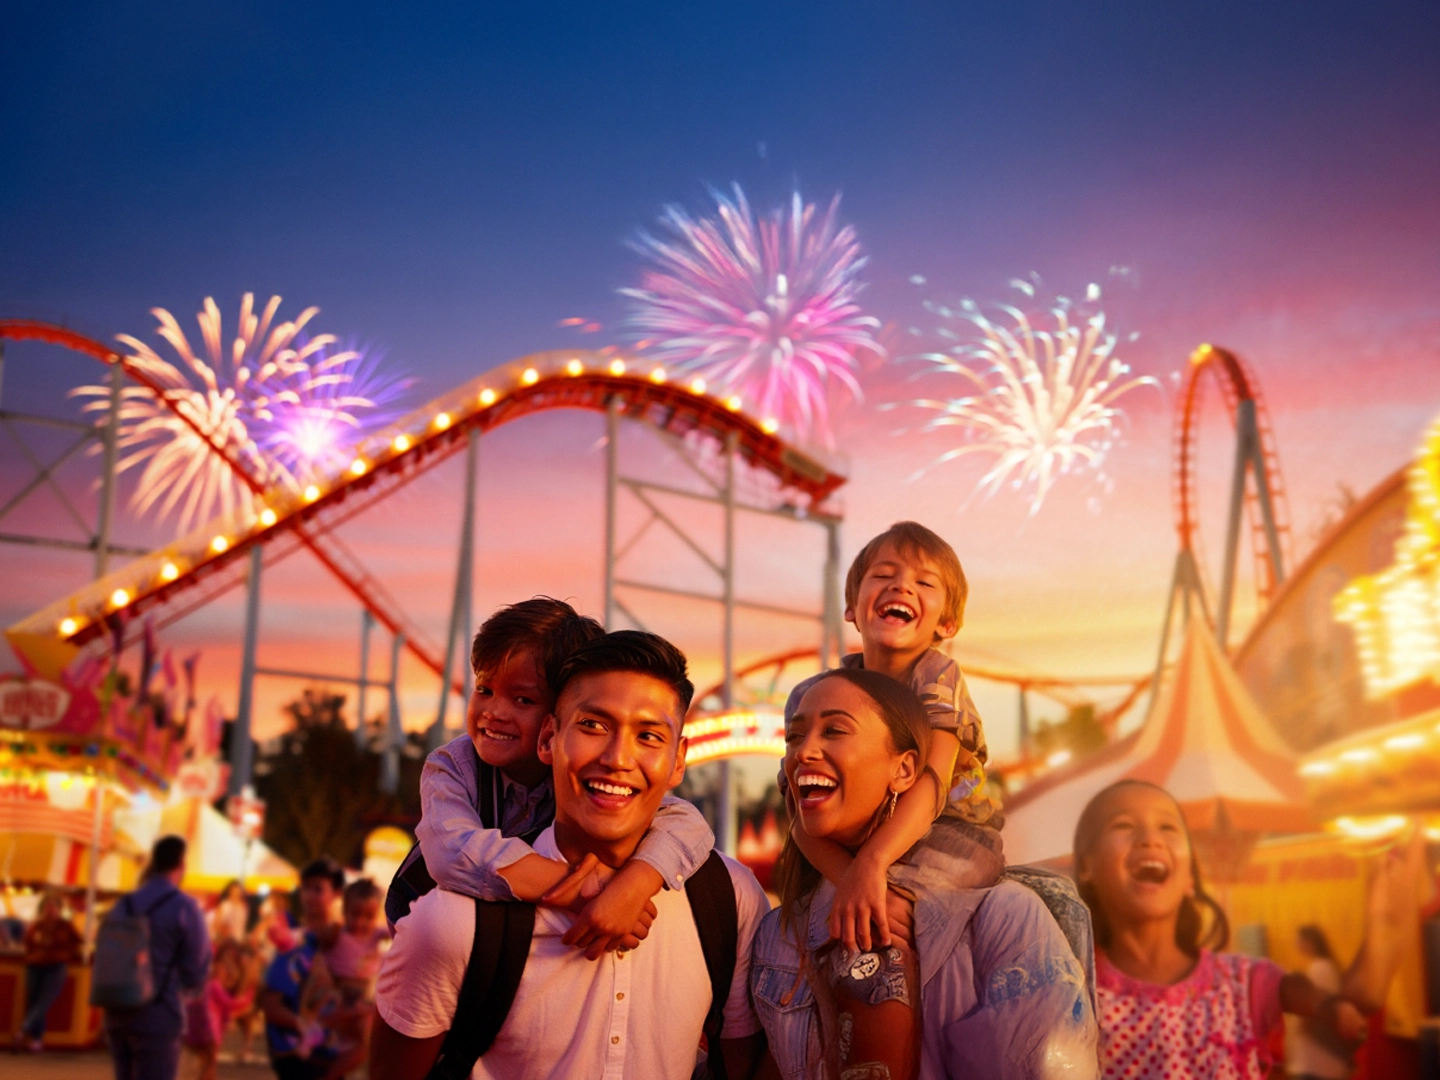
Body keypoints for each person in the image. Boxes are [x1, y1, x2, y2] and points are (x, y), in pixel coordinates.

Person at [372, 630, 771, 1079]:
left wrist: (638, 880)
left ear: (679, 760)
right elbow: (448, 845)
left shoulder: (727, 899)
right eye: (593, 726)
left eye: (649, 736)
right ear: (548, 739)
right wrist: (582, 890)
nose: (618, 758)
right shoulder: (452, 919)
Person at [754, 668, 1097, 1079]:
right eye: (794, 737)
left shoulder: (1005, 918)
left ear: (903, 769)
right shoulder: (780, 936)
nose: (803, 752)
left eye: (835, 731)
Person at [388, 597, 715, 960]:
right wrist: (588, 892)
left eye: (523, 700)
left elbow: (686, 822)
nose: (495, 712)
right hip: (416, 914)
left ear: (558, 716)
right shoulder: (454, 764)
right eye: (485, 690)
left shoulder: (583, 771)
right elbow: (451, 852)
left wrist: (636, 885)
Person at [1072, 780, 1420, 1079]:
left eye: (1168, 827)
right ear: (1086, 866)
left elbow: (1352, 1003)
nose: (1150, 838)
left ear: (1190, 877)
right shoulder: (1071, 990)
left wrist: (1385, 926)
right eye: (1122, 825)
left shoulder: (1242, 982)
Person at [782, 521, 1004, 955]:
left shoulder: (938, 676)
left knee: (891, 919)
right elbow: (798, 808)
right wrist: (853, 879)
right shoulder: (814, 695)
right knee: (848, 912)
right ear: (851, 606)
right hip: (857, 841)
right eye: (883, 576)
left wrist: (873, 864)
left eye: (924, 582)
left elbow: (932, 784)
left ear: (948, 623)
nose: (901, 586)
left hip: (950, 836)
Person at [104, 835, 212, 1080]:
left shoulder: (124, 904)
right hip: (159, 1013)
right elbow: (196, 969)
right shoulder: (185, 906)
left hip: (117, 1011)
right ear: (182, 864)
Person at [260, 857, 345, 1080]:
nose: (309, 896)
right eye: (306, 888)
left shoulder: (344, 940)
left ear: (336, 894)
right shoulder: (291, 939)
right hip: (295, 1054)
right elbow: (270, 1002)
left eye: (318, 889)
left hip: (331, 1053)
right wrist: (300, 1023)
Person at [17, 890, 82, 1051]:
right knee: (35, 1001)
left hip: (56, 966)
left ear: (59, 909)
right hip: (35, 965)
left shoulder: (66, 926)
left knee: (45, 1001)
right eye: (47, 907)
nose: (50, 910)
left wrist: (66, 953)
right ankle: (37, 1039)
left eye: (53, 907)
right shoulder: (36, 926)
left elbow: (78, 943)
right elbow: (27, 943)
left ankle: (23, 1030)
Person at [182, 939, 255, 1080]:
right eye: (222, 968)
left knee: (207, 1063)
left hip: (207, 1029)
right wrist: (247, 999)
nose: (225, 971)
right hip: (209, 1031)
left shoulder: (209, 984)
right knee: (209, 1063)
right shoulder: (214, 986)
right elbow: (229, 1003)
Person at [1287, 924, 1352, 1080]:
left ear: (1309, 942)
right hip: (1325, 1054)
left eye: (1298, 940)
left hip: (1318, 1055)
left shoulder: (1320, 970)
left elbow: (1309, 1010)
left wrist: (1297, 1032)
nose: (1295, 944)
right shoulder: (1326, 967)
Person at [210, 880, 250, 945]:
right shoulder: (224, 905)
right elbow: (215, 924)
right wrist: (222, 928)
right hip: (225, 942)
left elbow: (243, 926)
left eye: (239, 891)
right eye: (234, 891)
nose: (237, 893)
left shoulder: (243, 907)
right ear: (229, 891)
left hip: (238, 941)